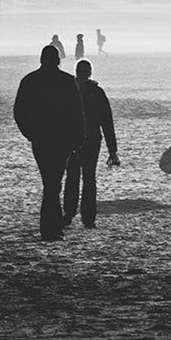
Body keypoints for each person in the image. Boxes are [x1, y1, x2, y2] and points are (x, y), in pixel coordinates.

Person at [12, 44, 85, 240]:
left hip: (41, 139)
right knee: (54, 183)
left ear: (41, 59)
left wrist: (30, 133)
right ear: (58, 60)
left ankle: (51, 226)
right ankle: (51, 227)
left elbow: (19, 111)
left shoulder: (29, 81)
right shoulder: (67, 81)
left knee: (50, 182)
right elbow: (77, 113)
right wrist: (78, 139)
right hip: (61, 140)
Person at [65, 59, 120, 228]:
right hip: (85, 141)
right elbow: (107, 122)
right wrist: (112, 150)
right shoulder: (95, 92)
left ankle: (73, 215)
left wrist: (112, 150)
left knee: (76, 178)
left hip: (79, 141)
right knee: (85, 178)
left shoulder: (72, 91)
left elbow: (106, 121)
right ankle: (84, 218)